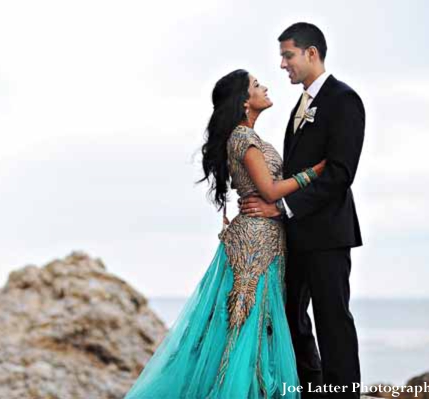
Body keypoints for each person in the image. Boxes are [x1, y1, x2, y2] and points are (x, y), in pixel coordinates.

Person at [124, 68, 326, 398]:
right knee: (245, 319)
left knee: (256, 319)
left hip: (264, 237)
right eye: (257, 85)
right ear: (245, 101)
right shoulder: (243, 139)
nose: (265, 87)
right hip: (255, 241)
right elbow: (271, 191)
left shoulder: (249, 137)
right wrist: (314, 172)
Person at [239, 22, 365, 398]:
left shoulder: (344, 100)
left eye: (288, 55)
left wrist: (282, 206)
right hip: (293, 235)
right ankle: (308, 390)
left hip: (328, 233)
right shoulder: (300, 105)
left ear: (312, 54)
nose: (282, 65)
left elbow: (341, 174)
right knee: (291, 317)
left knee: (332, 320)